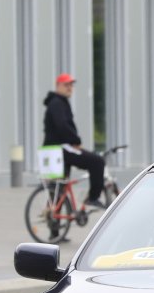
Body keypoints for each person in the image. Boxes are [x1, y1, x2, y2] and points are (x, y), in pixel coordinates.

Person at [42, 73, 107, 209]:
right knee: (97, 162)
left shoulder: (57, 102)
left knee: (60, 184)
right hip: (61, 149)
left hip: (54, 150)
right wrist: (75, 141)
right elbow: (62, 126)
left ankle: (53, 217)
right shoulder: (57, 103)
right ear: (58, 86)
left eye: (71, 85)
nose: (69, 88)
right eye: (66, 85)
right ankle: (93, 198)